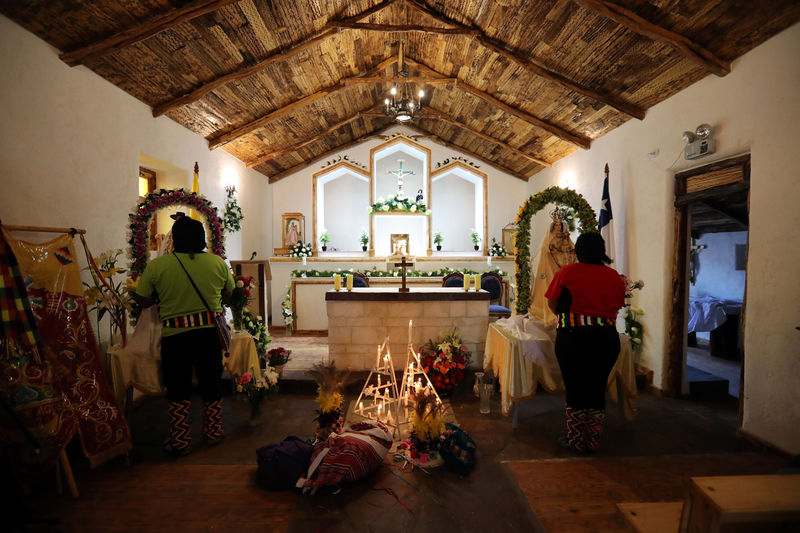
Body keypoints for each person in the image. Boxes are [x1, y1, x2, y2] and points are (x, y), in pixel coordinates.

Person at [134, 216, 234, 456]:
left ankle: (180, 441)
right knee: (211, 382)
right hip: (209, 334)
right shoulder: (217, 263)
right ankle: (213, 434)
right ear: (202, 238)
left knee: (177, 386)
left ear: (175, 239)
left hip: (175, 336)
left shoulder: (158, 266)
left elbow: (144, 300)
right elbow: (229, 293)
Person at [545, 232, 625, 454]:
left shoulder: (567, 273)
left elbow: (552, 303)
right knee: (597, 388)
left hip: (573, 338)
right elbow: (618, 304)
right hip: (606, 339)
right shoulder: (614, 277)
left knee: (575, 388)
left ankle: (577, 440)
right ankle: (593, 438)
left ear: (578, 250)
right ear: (602, 251)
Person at [529, 208, 577, 325]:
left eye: (559, 227)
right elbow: (542, 255)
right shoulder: (547, 244)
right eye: (555, 227)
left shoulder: (567, 242)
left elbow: (571, 254)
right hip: (548, 271)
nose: (557, 230)